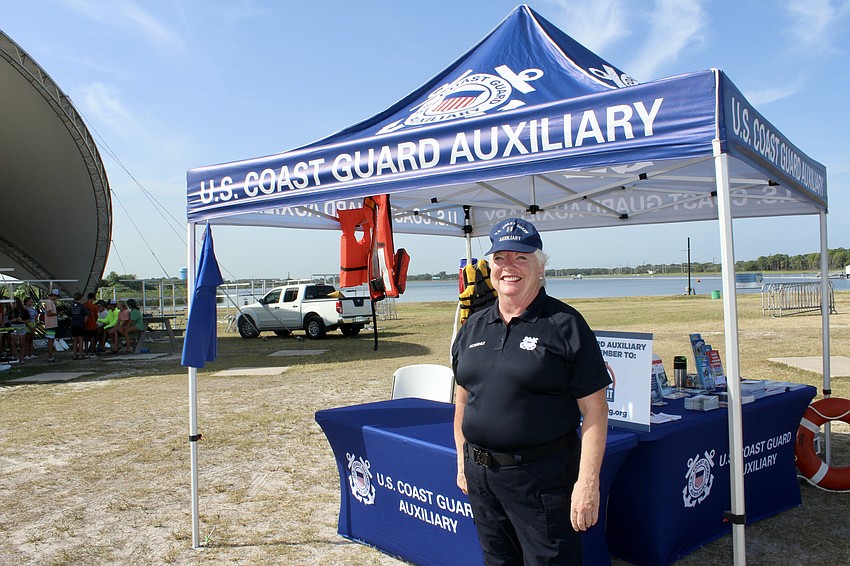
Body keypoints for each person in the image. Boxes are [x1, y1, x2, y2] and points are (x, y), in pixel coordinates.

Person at [452, 217, 611, 565]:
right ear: (490, 267)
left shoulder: (566, 325)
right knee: (497, 560)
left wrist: (587, 484)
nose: (509, 267)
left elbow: (596, 411)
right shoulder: (474, 325)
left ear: (540, 268)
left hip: (541, 479)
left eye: (521, 258)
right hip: (482, 477)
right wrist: (463, 460)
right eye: (500, 258)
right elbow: (463, 397)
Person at [69, 292, 89, 360]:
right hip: (80, 324)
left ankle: (75, 354)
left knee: (75, 340)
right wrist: (84, 323)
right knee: (80, 340)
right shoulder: (82, 307)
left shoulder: (71, 307)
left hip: (73, 324)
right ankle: (80, 354)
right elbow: (86, 317)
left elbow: (70, 316)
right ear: (81, 298)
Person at [42, 289, 60, 362]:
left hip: (52, 324)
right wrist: (57, 314)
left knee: (51, 340)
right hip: (50, 324)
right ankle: (50, 357)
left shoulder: (51, 302)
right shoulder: (49, 302)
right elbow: (49, 314)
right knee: (50, 341)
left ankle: (51, 356)